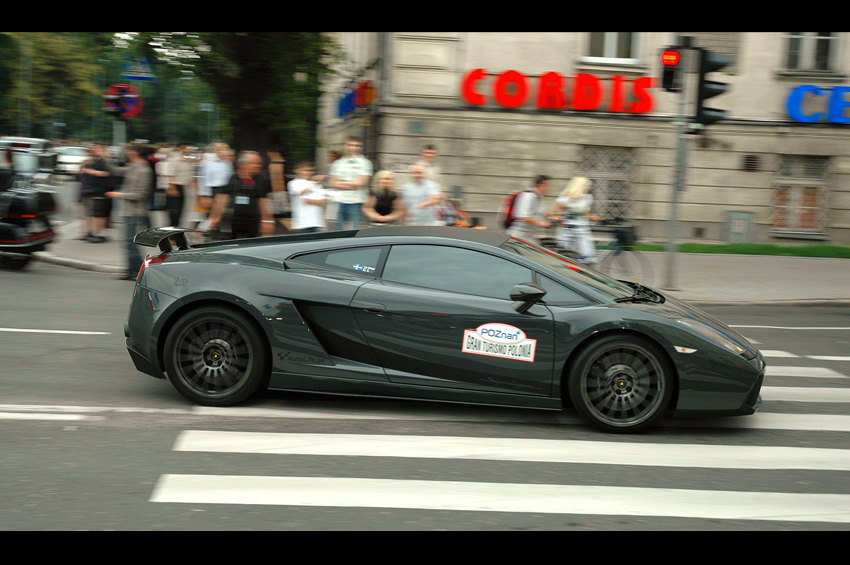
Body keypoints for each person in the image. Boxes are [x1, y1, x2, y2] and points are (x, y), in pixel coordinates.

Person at [101, 144, 153, 281]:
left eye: (129, 150)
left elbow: (141, 195)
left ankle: (139, 271)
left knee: (132, 242)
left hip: (136, 212)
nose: (127, 152)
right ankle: (130, 271)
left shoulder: (144, 170)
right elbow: (115, 171)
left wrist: (120, 195)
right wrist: (105, 157)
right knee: (128, 243)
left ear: (136, 153)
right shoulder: (132, 167)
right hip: (127, 212)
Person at [208, 150, 275, 240]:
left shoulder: (260, 181)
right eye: (256, 163)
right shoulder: (231, 179)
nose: (260, 166)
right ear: (244, 165)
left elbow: (264, 201)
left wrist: (267, 221)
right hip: (232, 220)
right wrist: (215, 217)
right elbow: (221, 198)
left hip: (253, 220)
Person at [551, 176, 603, 264]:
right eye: (587, 185)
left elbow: (588, 215)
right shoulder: (564, 198)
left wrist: (600, 219)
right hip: (567, 231)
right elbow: (553, 214)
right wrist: (558, 218)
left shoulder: (587, 198)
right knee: (566, 257)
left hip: (582, 231)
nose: (588, 188)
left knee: (587, 257)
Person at [328, 137, 373, 230]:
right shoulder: (338, 163)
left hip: (356, 202)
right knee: (337, 231)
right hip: (339, 200)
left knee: (354, 231)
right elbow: (333, 183)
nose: (354, 148)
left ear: (361, 148)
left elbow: (362, 182)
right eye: (351, 145)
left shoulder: (365, 163)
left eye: (357, 146)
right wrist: (352, 183)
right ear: (345, 146)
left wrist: (341, 182)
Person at [79, 142, 113, 243]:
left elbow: (107, 173)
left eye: (98, 149)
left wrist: (90, 171)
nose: (96, 151)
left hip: (99, 190)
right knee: (96, 214)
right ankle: (94, 233)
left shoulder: (105, 161)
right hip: (94, 190)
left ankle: (97, 234)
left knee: (99, 214)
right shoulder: (95, 161)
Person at [506, 174, 552, 245]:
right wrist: (542, 223)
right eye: (546, 186)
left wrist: (556, 217)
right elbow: (524, 217)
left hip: (530, 237)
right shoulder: (528, 196)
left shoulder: (539, 198)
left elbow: (544, 212)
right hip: (518, 237)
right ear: (538, 185)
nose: (548, 188)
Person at [287, 161, 326, 234]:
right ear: (297, 170)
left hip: (315, 221)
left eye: (310, 170)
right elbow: (302, 193)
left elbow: (322, 202)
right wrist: (314, 183)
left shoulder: (316, 184)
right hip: (301, 223)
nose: (308, 173)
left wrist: (310, 200)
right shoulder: (293, 183)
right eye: (305, 170)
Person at [198, 142, 234, 219]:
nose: (225, 152)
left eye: (226, 149)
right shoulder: (208, 162)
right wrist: (204, 196)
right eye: (222, 149)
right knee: (210, 215)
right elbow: (203, 179)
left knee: (221, 215)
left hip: (225, 190)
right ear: (217, 150)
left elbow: (230, 177)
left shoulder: (228, 163)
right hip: (212, 190)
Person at [166, 142, 195, 228]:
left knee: (181, 212)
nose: (188, 150)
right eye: (186, 148)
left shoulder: (188, 159)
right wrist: (172, 188)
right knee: (174, 212)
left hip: (184, 187)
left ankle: (176, 230)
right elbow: (171, 174)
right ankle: (171, 232)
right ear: (180, 149)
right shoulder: (174, 159)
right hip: (175, 187)